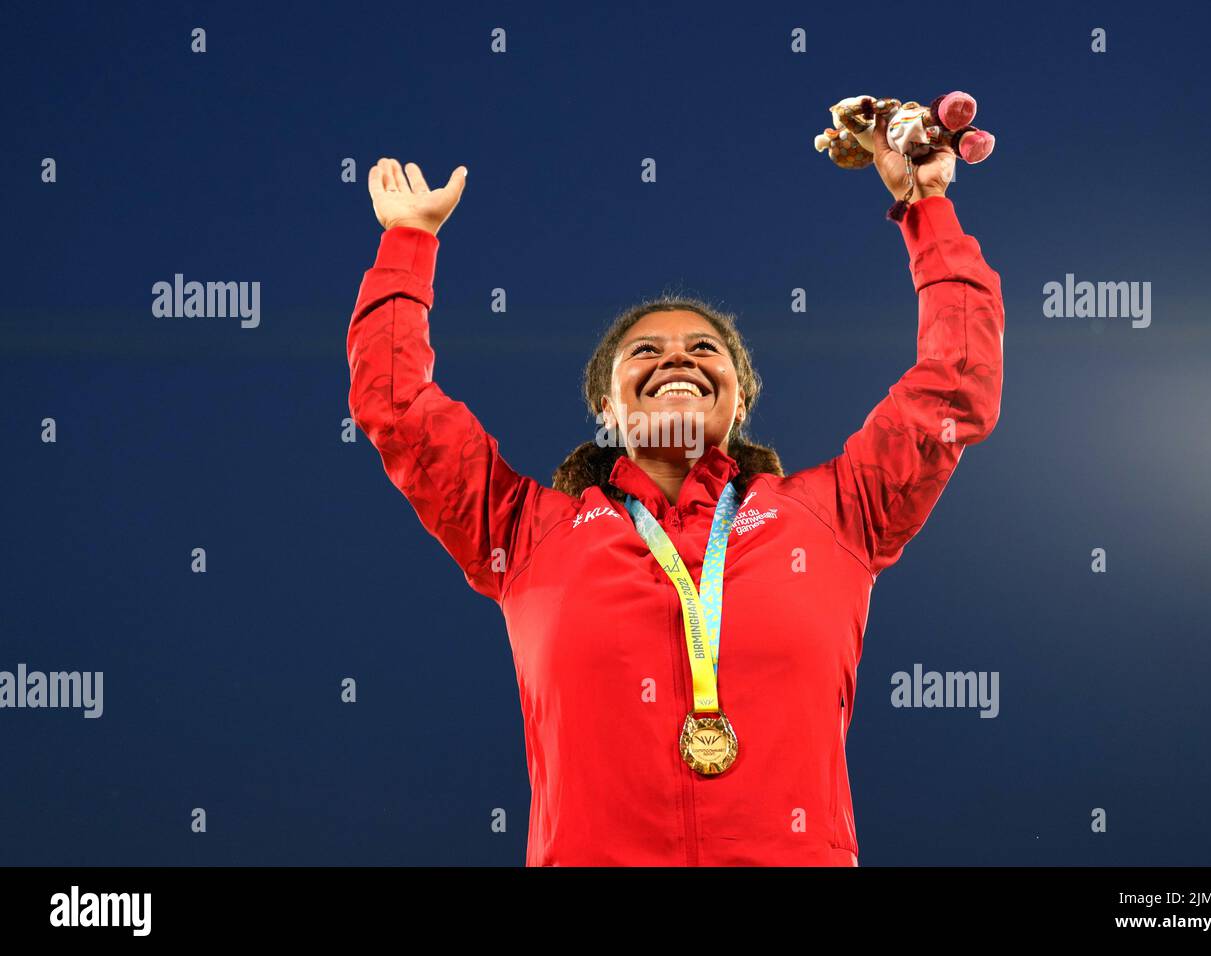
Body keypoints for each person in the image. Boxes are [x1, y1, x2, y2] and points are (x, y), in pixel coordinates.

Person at [346, 119, 1004, 866]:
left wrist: (929, 211)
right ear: (607, 408)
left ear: (739, 400)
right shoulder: (524, 534)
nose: (676, 359)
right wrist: (407, 244)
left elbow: (953, 391)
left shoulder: (834, 516)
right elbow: (396, 408)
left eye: (704, 349)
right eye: (645, 352)